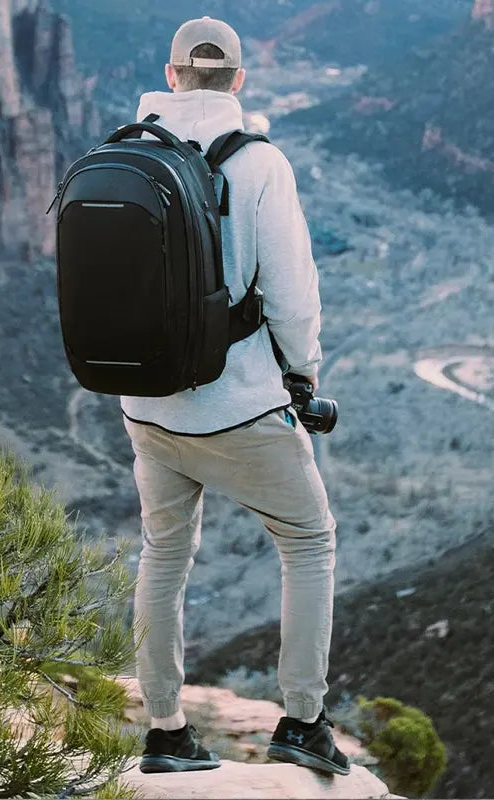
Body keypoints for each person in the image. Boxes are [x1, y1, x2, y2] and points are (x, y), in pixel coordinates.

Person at [121, 16, 350, 777]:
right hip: (238, 406)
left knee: (163, 554)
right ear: (239, 81)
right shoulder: (257, 164)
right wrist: (303, 375)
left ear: (171, 72)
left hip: (145, 404)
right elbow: (291, 295)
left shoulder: (127, 150)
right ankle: (303, 720)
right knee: (308, 542)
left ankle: (164, 732)